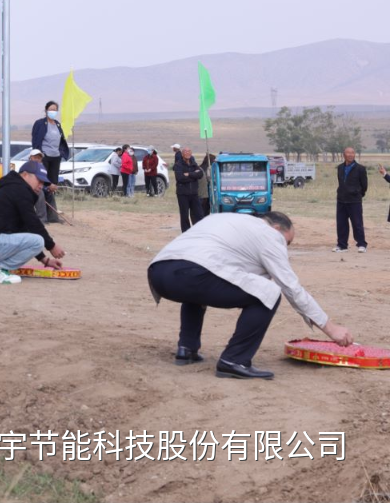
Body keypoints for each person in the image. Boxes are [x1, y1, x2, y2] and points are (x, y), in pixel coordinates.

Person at [147, 211, 353, 379]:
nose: (284, 248)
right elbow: (291, 288)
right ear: (277, 228)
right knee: (269, 292)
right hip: (193, 274)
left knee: (199, 285)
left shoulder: (224, 219)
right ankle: (234, 360)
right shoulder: (269, 234)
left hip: (159, 273)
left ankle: (187, 349)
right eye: (287, 242)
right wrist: (330, 328)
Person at [0, 161, 67, 286]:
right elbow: (33, 224)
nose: (41, 186)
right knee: (38, 241)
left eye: (43, 183)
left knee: (26, 238)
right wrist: (51, 246)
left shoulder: (11, 188)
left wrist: (45, 260)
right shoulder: (20, 190)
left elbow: (23, 229)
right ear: (25, 175)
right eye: (39, 180)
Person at [30, 102, 70, 210]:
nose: (53, 111)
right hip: (44, 156)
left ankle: (51, 211)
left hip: (56, 156)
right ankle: (40, 210)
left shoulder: (57, 124)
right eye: (51, 109)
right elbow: (35, 139)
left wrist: (61, 152)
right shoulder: (40, 123)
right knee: (43, 182)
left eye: (55, 109)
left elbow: (61, 139)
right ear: (46, 110)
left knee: (53, 184)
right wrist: (38, 154)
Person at [334, 147, 368, 253]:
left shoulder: (360, 168)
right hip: (341, 200)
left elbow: (364, 185)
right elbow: (340, 182)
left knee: (357, 223)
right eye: (348, 153)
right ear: (344, 155)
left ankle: (362, 244)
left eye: (352, 153)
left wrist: (357, 194)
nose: (350, 155)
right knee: (341, 224)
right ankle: (342, 245)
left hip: (354, 201)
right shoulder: (340, 167)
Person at [173, 147, 204, 232]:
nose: (187, 153)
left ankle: (199, 231)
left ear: (191, 153)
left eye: (189, 151)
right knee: (184, 215)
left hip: (194, 193)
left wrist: (189, 174)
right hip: (183, 194)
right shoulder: (178, 164)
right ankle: (186, 233)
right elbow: (180, 178)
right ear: (182, 154)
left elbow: (200, 174)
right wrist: (194, 176)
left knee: (199, 214)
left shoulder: (193, 163)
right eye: (185, 152)